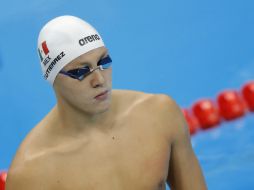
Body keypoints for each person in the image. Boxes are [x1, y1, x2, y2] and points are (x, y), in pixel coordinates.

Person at [6, 15, 207, 190]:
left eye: (103, 62)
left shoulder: (159, 115)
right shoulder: (31, 172)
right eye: (81, 72)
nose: (99, 80)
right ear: (53, 79)